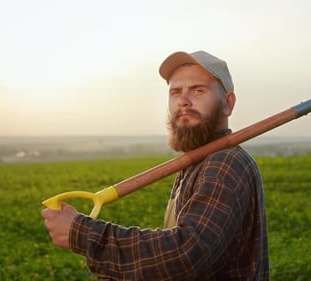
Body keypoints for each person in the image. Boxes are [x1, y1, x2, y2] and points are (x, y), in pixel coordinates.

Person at [42, 51, 269, 280]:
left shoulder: (225, 162)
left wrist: (82, 233)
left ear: (228, 103)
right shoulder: (195, 163)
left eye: (198, 90)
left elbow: (186, 254)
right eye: (176, 92)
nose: (183, 101)